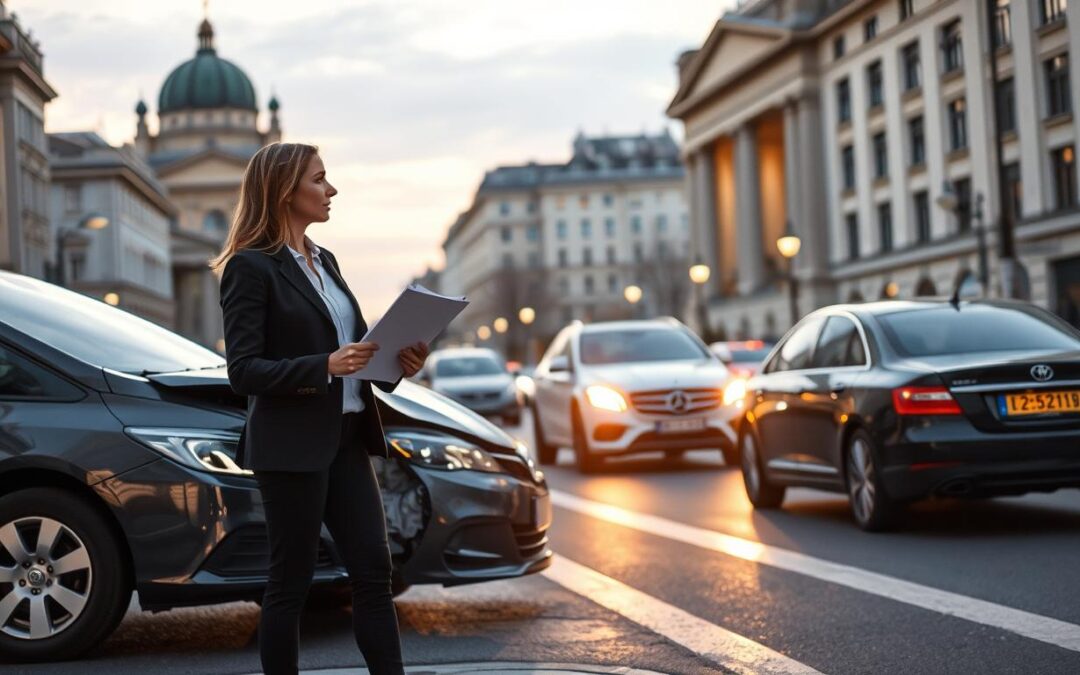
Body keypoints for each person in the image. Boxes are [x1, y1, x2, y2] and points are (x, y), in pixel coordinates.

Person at [211, 142, 427, 675]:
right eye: (319, 179)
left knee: (375, 574)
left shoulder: (325, 260)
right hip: (290, 447)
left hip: (348, 439)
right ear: (285, 190)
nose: (331, 190)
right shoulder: (250, 268)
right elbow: (244, 371)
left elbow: (354, 354)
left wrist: (399, 362)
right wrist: (321, 367)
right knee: (291, 584)